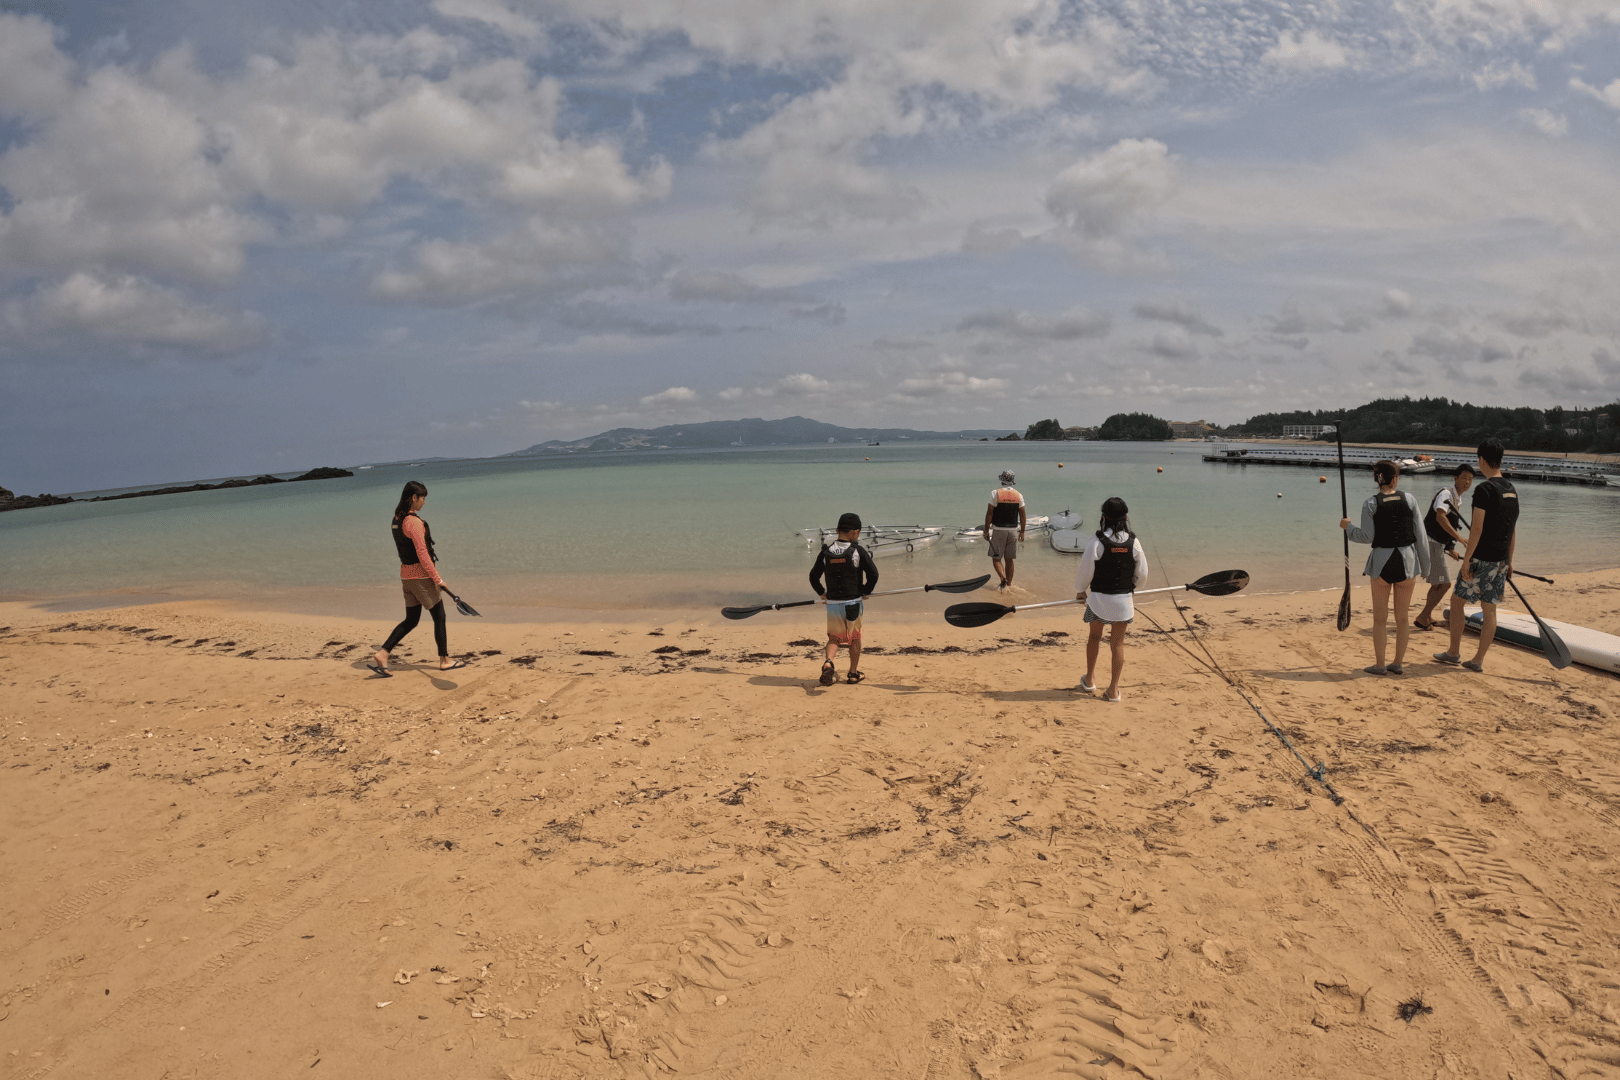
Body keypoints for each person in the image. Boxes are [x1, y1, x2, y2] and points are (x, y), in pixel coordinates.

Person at [1436, 439, 1519, 672]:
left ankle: (1453, 652)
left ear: (1482, 460)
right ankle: (1478, 660)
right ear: (1500, 460)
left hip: (1481, 559)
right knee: (1489, 609)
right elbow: (1512, 529)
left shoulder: (1484, 489)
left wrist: (1467, 560)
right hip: (1501, 560)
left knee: (1456, 602)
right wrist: (1510, 561)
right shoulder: (1511, 490)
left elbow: (1477, 529)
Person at [369, 481, 467, 676]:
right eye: (423, 498)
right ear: (414, 498)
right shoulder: (413, 522)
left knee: (411, 620)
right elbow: (423, 554)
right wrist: (438, 579)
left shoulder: (397, 518)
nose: (424, 502)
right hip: (421, 577)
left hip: (406, 576)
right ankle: (445, 660)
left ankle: (383, 653)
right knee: (439, 616)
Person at [1340, 459, 1429, 675]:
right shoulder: (1410, 499)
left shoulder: (1370, 503)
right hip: (1407, 563)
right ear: (1395, 478)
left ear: (1377, 480)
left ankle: (1380, 665)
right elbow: (1421, 536)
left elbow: (1366, 536)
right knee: (1402, 618)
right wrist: (1425, 567)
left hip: (1381, 564)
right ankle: (1397, 663)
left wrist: (1348, 528)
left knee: (1380, 619)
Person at [1073, 497, 1149, 703]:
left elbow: (1085, 571)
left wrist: (1080, 591)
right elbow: (1142, 574)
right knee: (1117, 644)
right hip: (1123, 602)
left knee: (1095, 637)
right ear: (1125, 517)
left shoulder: (1097, 542)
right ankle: (1113, 690)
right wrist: (1132, 587)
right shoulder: (1134, 542)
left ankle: (1089, 680)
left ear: (1103, 518)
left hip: (1098, 601)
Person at [809, 512, 879, 686]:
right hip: (853, 603)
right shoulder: (858, 551)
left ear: (838, 530)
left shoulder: (826, 552)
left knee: (834, 638)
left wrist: (821, 592)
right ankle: (853, 673)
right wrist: (866, 591)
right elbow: (873, 574)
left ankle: (828, 662)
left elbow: (813, 577)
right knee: (854, 639)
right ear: (855, 532)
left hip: (833, 604)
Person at [1413, 463, 1474, 631]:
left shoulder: (1458, 498)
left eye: (1470, 479)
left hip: (1436, 544)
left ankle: (1427, 615)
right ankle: (1422, 616)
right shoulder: (1446, 494)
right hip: (1430, 542)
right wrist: (1459, 538)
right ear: (1455, 478)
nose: (1467, 482)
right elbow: (1440, 517)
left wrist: (1450, 547)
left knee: (1437, 584)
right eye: (1464, 478)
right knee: (1445, 584)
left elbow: (1450, 522)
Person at [984, 470, 1027, 589]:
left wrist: (986, 530)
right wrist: (1022, 531)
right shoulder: (1018, 495)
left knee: (996, 558)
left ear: (1001, 480)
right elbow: (1023, 515)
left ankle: (1002, 579)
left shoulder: (995, 493)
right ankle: (1008, 584)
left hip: (998, 530)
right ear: (1013, 482)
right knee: (1009, 559)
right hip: (1013, 531)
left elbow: (989, 514)